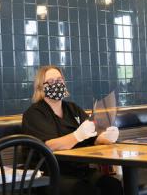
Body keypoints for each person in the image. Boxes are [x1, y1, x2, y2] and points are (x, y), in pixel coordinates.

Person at [22, 65, 123, 195]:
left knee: (112, 185)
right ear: (41, 87)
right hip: (48, 175)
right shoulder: (34, 114)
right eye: (51, 81)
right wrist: (77, 136)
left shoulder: (73, 108)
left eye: (60, 80)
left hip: (79, 171)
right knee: (84, 191)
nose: (57, 84)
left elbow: (93, 137)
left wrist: (106, 137)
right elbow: (49, 146)